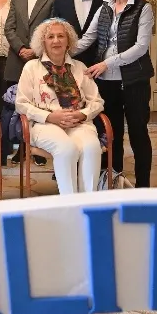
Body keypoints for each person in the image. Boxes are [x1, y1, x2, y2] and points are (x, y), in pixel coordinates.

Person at [72, 0, 155, 189]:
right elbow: (88, 37)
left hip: (134, 81)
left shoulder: (143, 8)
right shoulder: (106, 4)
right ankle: (113, 182)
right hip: (107, 83)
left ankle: (143, 187)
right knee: (111, 134)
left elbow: (140, 47)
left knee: (138, 133)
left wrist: (107, 63)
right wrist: (60, 50)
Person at [15, 18, 103, 194]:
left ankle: (88, 203)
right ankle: (69, 203)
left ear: (68, 41)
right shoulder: (31, 68)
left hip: (78, 123)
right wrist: (50, 116)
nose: (56, 41)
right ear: (43, 42)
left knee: (92, 147)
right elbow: (21, 104)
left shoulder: (79, 67)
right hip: (44, 124)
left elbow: (97, 101)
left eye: (61, 36)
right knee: (66, 148)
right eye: (51, 37)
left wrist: (82, 114)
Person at [2, 0, 54, 164]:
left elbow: (52, 27)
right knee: (19, 107)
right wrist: (21, 49)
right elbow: (9, 28)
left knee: (40, 104)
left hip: (41, 59)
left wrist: (36, 50)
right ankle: (21, 149)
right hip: (18, 59)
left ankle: (38, 149)